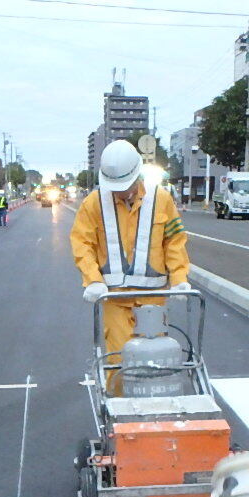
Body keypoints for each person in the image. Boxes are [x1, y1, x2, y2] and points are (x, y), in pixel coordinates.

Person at [70, 139, 190, 390]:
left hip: (153, 300)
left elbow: (174, 242)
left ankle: (153, 414)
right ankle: (121, 418)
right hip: (114, 300)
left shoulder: (161, 199)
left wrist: (179, 279)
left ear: (137, 175)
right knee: (118, 364)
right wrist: (92, 279)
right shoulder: (93, 203)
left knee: (155, 364)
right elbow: (82, 243)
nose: (120, 192)